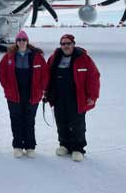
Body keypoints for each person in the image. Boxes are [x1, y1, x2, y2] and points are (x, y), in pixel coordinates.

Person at [45, 34, 100, 162]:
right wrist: (46, 92)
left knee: (77, 123)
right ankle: (64, 144)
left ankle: (77, 148)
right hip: (59, 96)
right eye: (63, 44)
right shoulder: (54, 58)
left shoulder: (84, 59)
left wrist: (92, 96)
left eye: (68, 43)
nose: (66, 46)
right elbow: (47, 76)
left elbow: (94, 77)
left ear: (73, 44)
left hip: (76, 96)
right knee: (61, 121)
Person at [0, 31, 48, 158]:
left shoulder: (36, 56)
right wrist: (7, 87)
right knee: (16, 119)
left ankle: (30, 146)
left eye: (24, 40)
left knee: (29, 120)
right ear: (16, 42)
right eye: (19, 40)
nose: (21, 42)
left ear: (27, 41)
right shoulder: (9, 56)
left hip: (32, 93)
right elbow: (2, 72)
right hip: (14, 93)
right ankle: (18, 146)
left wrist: (41, 88)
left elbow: (45, 74)